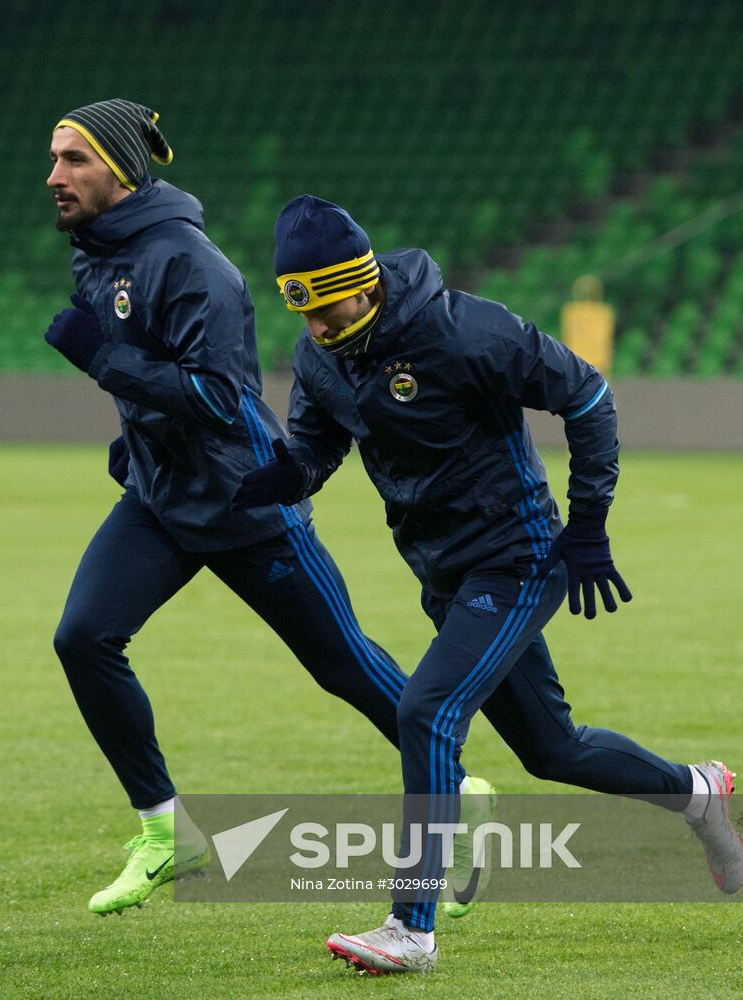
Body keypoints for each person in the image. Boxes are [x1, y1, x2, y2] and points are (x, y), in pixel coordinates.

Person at [232, 195, 743, 974]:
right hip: (439, 570)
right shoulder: (323, 358)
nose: (314, 330)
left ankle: (412, 928)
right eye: (300, 312)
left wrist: (589, 524)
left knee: (427, 710)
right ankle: (696, 790)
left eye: (326, 308)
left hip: (518, 557)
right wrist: (274, 477)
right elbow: (316, 448)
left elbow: (588, 396)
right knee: (553, 751)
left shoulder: (466, 329)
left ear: (362, 283)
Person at [42, 100, 495, 917]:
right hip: (161, 499)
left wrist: (106, 365)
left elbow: (220, 397)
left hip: (246, 501)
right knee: (82, 637)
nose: (55, 177)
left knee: (344, 665)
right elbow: (152, 374)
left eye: (73, 159)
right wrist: (133, 439)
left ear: (119, 167)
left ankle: (458, 793)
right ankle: (164, 831)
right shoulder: (97, 256)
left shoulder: (194, 264)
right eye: (54, 158)